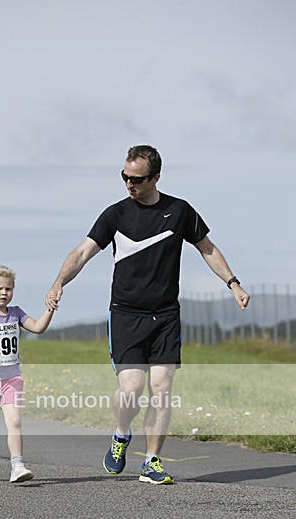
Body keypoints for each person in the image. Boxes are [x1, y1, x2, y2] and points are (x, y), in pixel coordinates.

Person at [47, 144, 250, 485]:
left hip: (165, 315)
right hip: (126, 314)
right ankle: (121, 433)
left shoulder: (180, 211)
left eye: (137, 179)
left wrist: (233, 283)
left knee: (161, 387)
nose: (129, 184)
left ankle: (151, 461)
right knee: (131, 388)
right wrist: (58, 283)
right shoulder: (115, 215)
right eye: (124, 177)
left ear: (155, 177)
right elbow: (82, 252)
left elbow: (208, 248)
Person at [0, 265, 54, 483]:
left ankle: (17, 465)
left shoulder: (16, 313)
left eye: (8, 288)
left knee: (14, 420)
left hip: (11, 379)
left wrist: (50, 309)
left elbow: (38, 327)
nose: (3, 293)